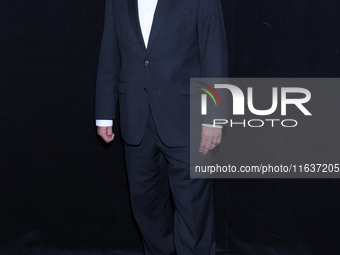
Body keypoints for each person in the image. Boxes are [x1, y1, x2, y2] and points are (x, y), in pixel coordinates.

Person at [95, 0, 228, 254]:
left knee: (193, 213)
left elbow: (214, 52)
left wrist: (214, 118)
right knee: (146, 209)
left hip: (188, 120)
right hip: (135, 120)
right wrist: (104, 115)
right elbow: (109, 53)